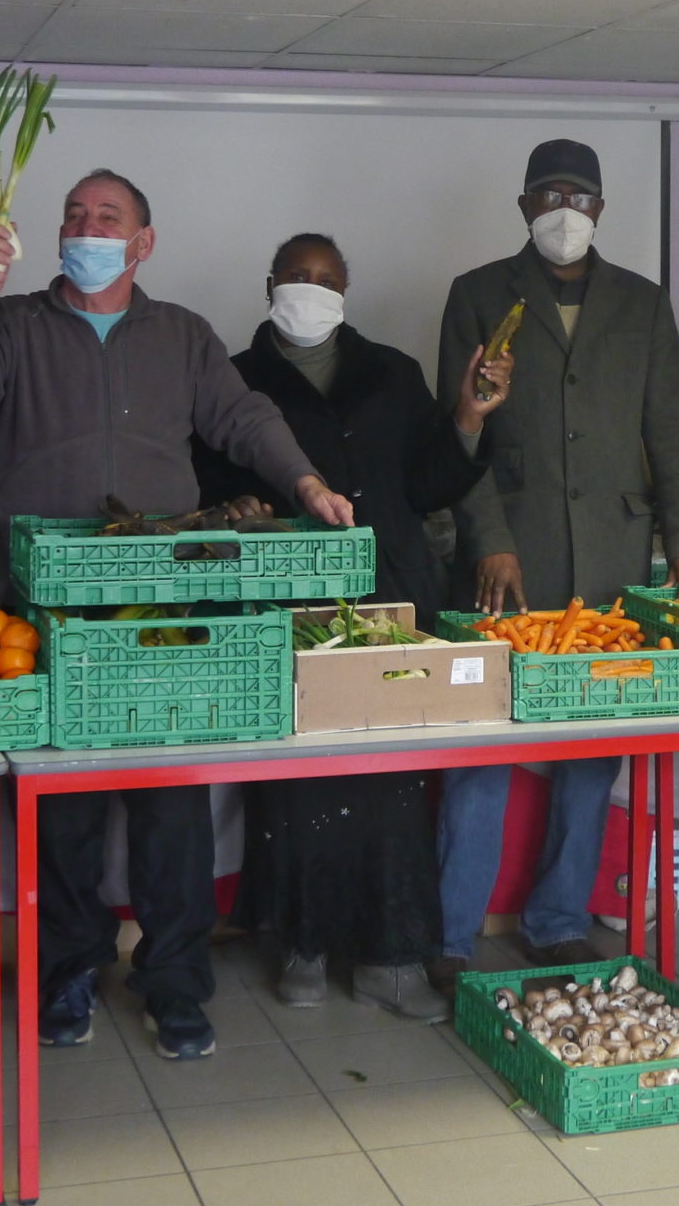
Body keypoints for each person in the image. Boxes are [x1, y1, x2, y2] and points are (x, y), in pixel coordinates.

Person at [0, 169, 354, 1060]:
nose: (88, 228)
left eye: (107, 217)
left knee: (170, 806)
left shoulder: (183, 335)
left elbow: (243, 418)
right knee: (62, 808)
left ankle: (177, 981)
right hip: (48, 608)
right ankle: (68, 971)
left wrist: (306, 481)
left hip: (164, 602)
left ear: (143, 241)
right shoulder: (16, 326)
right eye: (75, 216)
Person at [198, 233, 511, 1020]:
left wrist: (470, 417)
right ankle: (302, 945)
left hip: (393, 601)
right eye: (297, 277)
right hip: (292, 607)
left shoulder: (393, 372)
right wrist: (240, 505)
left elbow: (432, 481)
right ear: (269, 283)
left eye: (326, 280)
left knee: (393, 781)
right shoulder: (233, 379)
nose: (310, 290)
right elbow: (208, 484)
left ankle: (392, 954)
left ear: (347, 291)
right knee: (303, 783)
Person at [431, 139, 679, 990]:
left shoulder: (643, 302)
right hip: (507, 557)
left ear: (600, 209)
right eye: (551, 194)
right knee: (482, 745)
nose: (566, 210)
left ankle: (557, 921)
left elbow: (670, 431)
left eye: (581, 197)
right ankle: (449, 936)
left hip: (610, 560)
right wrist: (488, 538)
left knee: (593, 749)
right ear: (524, 204)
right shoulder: (477, 293)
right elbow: (458, 434)